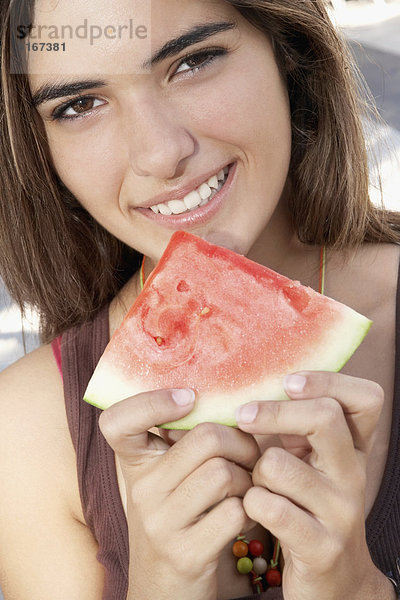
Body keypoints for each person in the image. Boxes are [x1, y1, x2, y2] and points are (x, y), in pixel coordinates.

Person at [0, 0, 400, 598]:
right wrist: (162, 585)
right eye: (79, 105)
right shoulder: (24, 432)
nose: (161, 154)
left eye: (193, 61)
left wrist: (359, 590)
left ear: (289, 51)